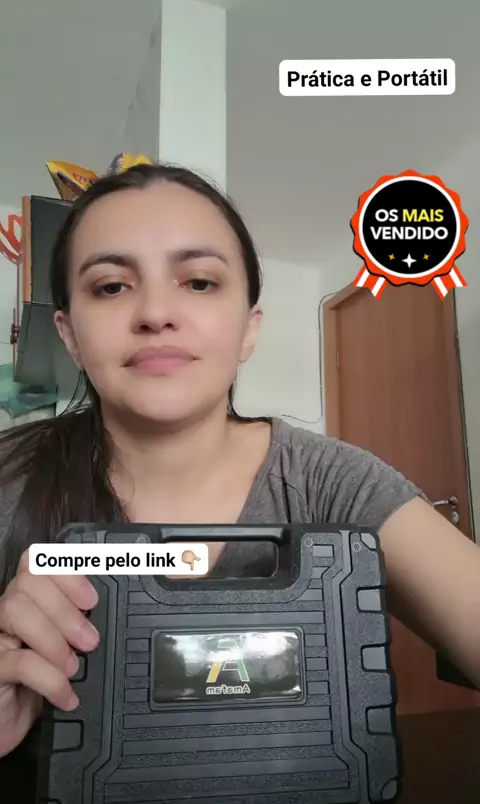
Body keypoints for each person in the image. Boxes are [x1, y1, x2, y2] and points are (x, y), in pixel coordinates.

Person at [0, 163, 478, 760]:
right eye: (112, 286)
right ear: (70, 335)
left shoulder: (336, 484)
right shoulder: (9, 478)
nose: (156, 313)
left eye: (199, 282)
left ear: (250, 329)